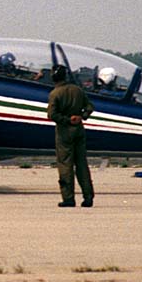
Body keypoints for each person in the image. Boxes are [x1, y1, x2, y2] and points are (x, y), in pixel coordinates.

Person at [47, 65, 95, 207]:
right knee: (81, 163)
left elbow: (52, 115)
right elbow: (89, 106)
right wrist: (81, 117)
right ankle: (88, 197)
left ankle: (68, 198)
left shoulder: (55, 93)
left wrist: (67, 120)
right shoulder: (77, 90)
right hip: (79, 130)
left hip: (64, 132)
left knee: (65, 165)